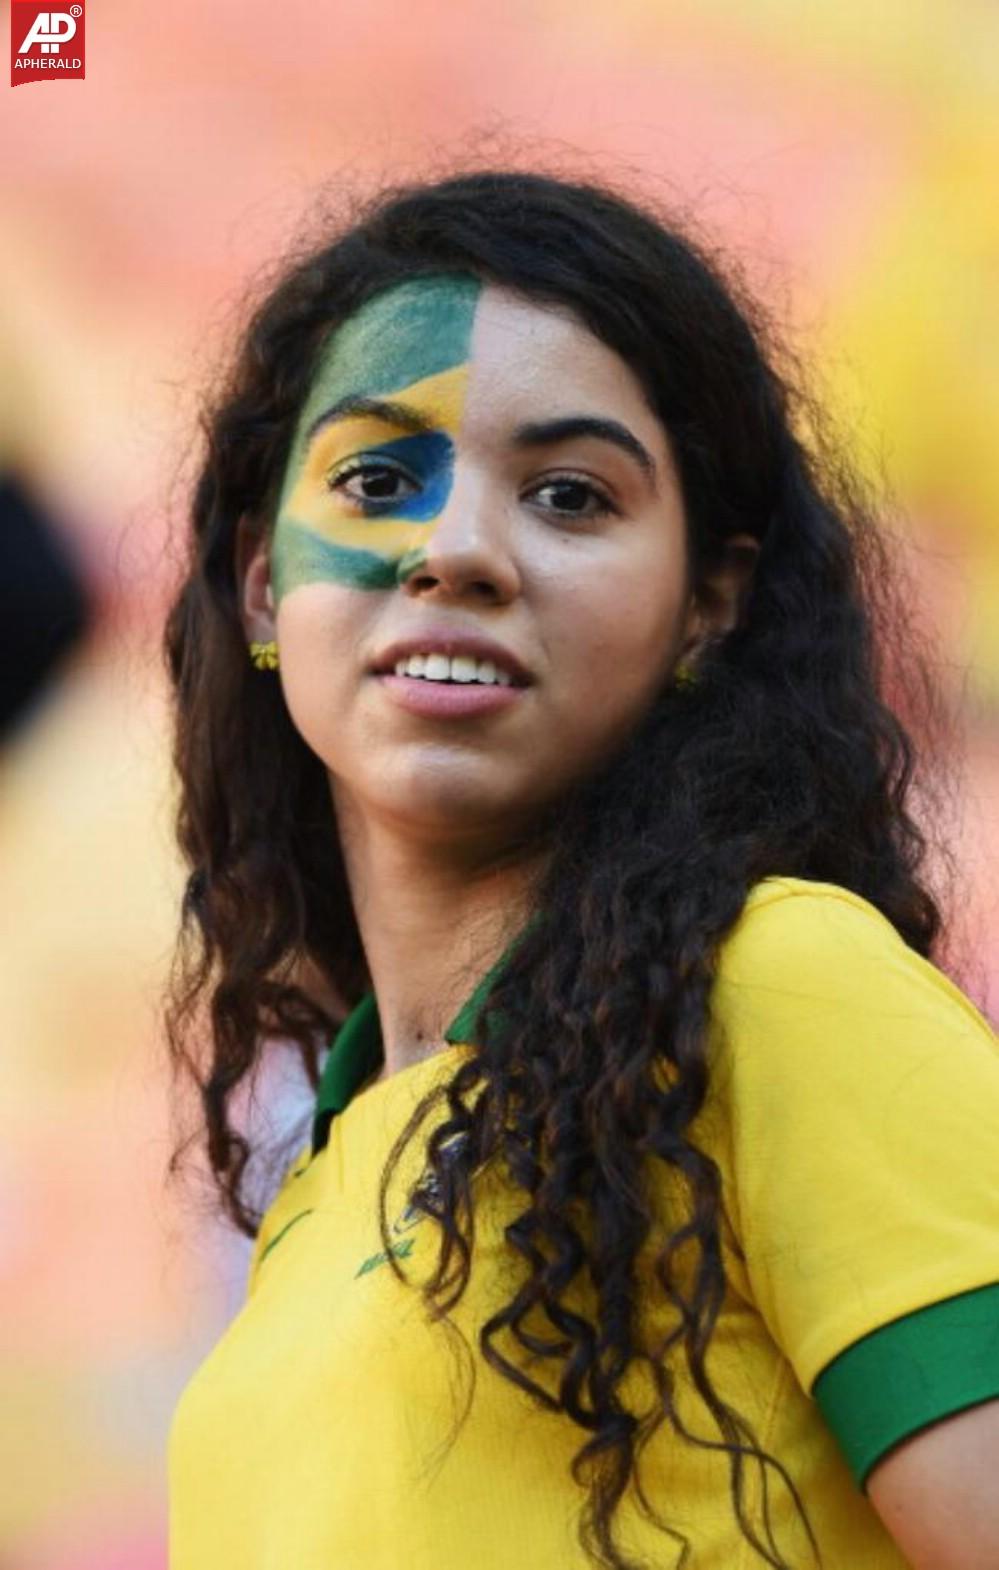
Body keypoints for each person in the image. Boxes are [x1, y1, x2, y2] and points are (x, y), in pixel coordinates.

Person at [163, 168, 999, 1570]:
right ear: (263, 584)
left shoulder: (779, 985)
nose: (457, 551)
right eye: (375, 479)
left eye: (568, 492)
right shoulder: (311, 1197)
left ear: (707, 610)